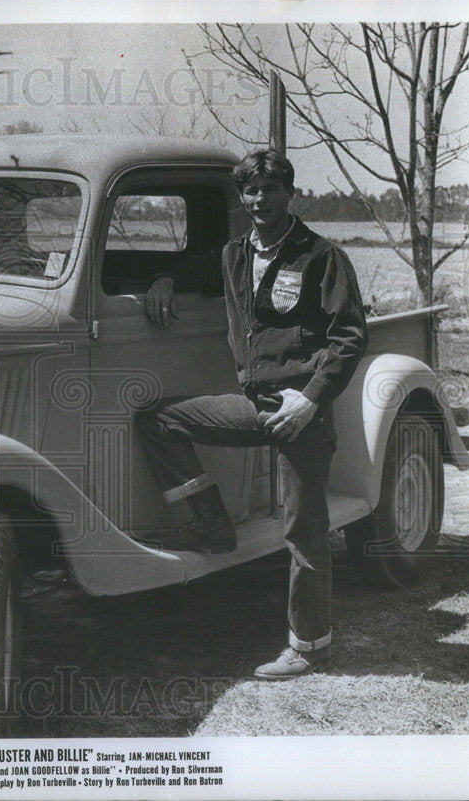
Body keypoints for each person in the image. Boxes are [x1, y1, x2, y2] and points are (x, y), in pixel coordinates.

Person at [137, 148, 368, 679]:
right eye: (250, 191)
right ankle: (212, 522)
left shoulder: (321, 256)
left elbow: (349, 337)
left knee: (304, 531)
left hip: (301, 410)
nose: (259, 200)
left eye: (269, 189)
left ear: (290, 193)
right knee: (160, 420)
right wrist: (166, 278)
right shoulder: (236, 253)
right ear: (242, 197)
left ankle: (309, 646)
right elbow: (199, 264)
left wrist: (310, 399)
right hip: (252, 404)